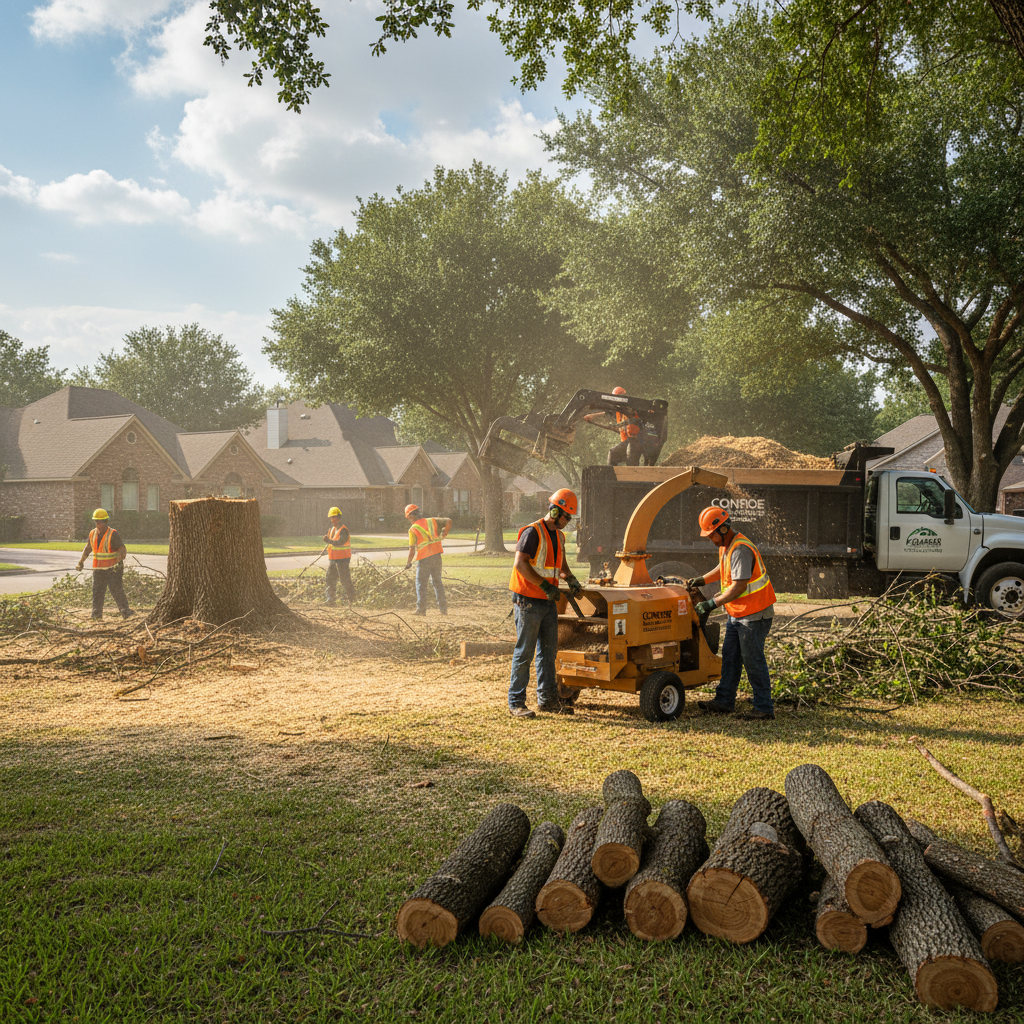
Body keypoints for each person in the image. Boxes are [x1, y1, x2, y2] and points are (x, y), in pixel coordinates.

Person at [687, 506, 777, 721]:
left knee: (753, 660)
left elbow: (739, 587)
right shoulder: (727, 546)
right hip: (738, 613)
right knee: (730, 657)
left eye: (712, 535)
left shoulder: (740, 549)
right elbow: (723, 568)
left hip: (754, 614)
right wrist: (702, 579)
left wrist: (711, 604)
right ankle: (724, 701)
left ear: (724, 528)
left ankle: (764, 708)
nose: (711, 539)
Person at [507, 488, 583, 718]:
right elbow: (520, 564)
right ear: (554, 510)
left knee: (548, 653)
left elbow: (559, 565)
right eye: (566, 517)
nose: (568, 522)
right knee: (524, 652)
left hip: (548, 601)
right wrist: (544, 585)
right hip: (528, 601)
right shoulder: (532, 532)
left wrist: (570, 579)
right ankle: (516, 702)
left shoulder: (559, 536)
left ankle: (548, 700)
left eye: (570, 518)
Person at [75, 508, 132, 621]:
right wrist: (81, 561)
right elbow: (88, 548)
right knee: (97, 592)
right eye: (96, 521)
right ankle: (96, 616)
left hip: (113, 569)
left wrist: (118, 560)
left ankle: (126, 614)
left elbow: (122, 550)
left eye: (100, 522)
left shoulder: (113, 534)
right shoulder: (93, 533)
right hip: (99, 569)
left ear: (106, 522)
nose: (97, 524)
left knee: (116, 591)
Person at [403, 504, 452, 615]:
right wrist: (444, 534)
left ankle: (421, 610)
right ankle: (443, 610)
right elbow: (449, 521)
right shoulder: (432, 521)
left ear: (410, 516)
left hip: (425, 559)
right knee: (437, 582)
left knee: (421, 583)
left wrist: (408, 563)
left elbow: (412, 550)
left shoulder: (413, 529)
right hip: (437, 556)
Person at [583, 386, 643, 466]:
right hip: (627, 441)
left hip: (637, 440)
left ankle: (633, 476)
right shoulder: (617, 410)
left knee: (631, 453)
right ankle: (611, 476)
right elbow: (606, 413)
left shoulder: (632, 407)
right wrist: (591, 416)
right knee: (613, 453)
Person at [323, 506, 355, 606]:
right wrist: (328, 542)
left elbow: (340, 542)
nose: (332, 519)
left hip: (343, 559)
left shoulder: (344, 530)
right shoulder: (332, 529)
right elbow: (331, 543)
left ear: (339, 518)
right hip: (333, 559)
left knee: (345, 580)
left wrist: (329, 541)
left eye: (334, 517)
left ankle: (353, 600)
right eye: (331, 517)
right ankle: (330, 600)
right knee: (330, 579)